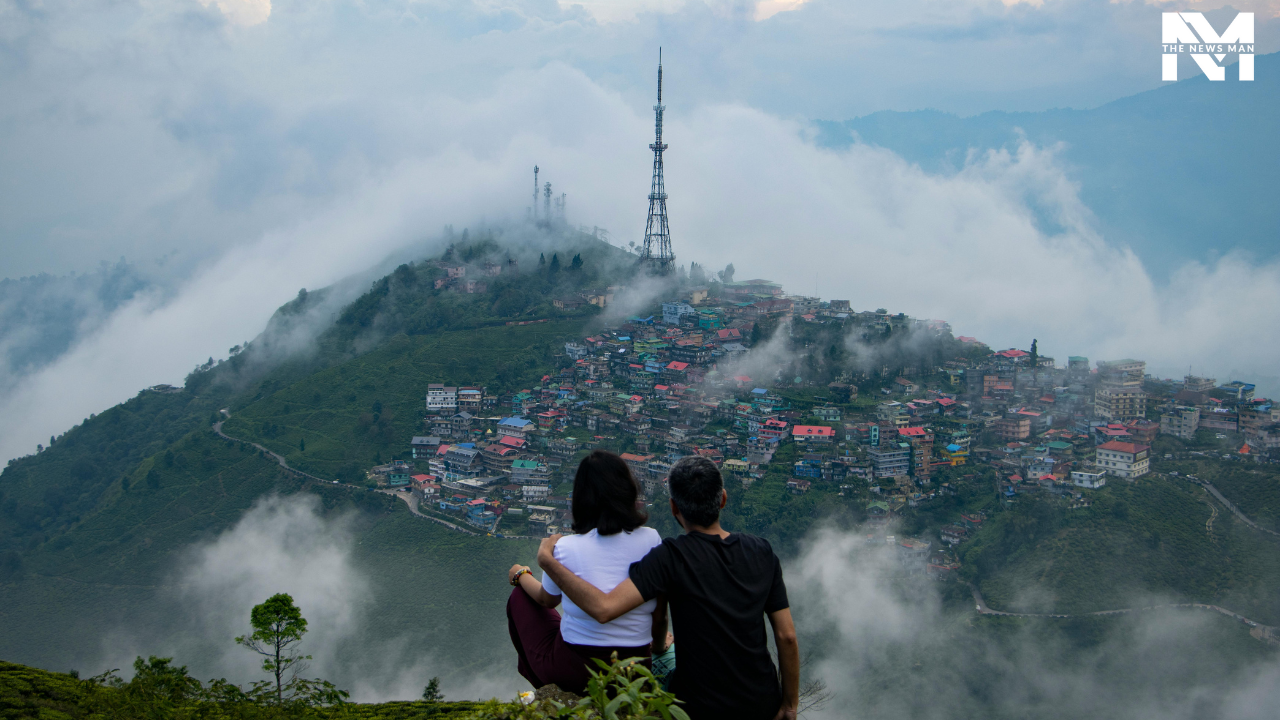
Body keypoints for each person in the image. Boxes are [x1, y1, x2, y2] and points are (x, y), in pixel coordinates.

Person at [538, 455, 799, 720]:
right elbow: (787, 636)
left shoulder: (670, 557)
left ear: (674, 507)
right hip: (761, 702)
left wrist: (548, 561)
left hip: (698, 706)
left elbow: (605, 608)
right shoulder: (762, 551)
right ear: (723, 499)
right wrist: (789, 704)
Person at [506, 450, 667, 695]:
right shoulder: (652, 539)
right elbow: (658, 612)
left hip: (578, 672)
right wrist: (656, 646)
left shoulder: (565, 547)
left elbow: (546, 600)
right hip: (636, 670)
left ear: (581, 498)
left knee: (520, 597)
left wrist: (520, 573)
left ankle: (547, 691)